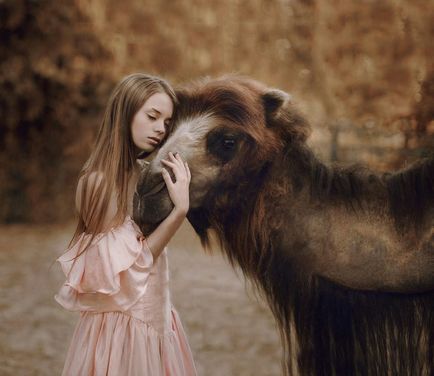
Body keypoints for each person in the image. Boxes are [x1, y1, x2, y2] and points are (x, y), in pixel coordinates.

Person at [54, 73, 197, 375]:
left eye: (167, 122)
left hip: (157, 321)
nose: (160, 129)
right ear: (125, 113)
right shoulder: (98, 182)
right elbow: (132, 270)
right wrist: (179, 211)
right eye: (153, 116)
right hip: (122, 332)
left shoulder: (147, 175)